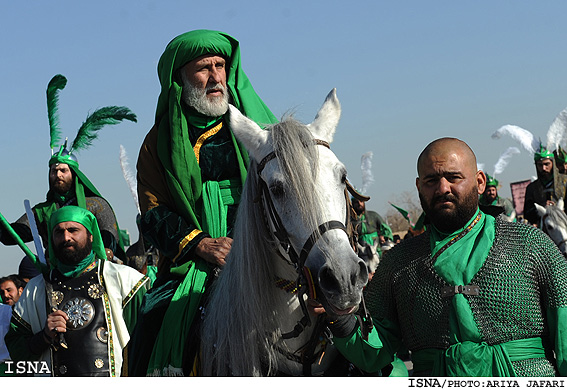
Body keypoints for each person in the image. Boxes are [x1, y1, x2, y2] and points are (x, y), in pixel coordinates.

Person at [327, 137, 567, 376]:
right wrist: (340, 317)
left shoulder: (530, 244)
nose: (442, 188)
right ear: (420, 187)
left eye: (454, 177)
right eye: (431, 181)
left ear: (480, 182)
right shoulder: (398, 263)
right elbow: (373, 352)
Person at [129, 29, 278, 376]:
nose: (215, 77)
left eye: (220, 66)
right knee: (151, 323)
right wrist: (201, 244)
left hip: (264, 248)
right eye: (203, 68)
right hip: (194, 261)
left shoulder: (257, 128)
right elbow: (153, 213)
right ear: (180, 77)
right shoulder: (157, 144)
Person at [0, 74, 136, 264]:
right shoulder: (40, 212)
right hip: (56, 273)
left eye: (63, 170)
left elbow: (108, 236)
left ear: (74, 174)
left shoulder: (96, 205)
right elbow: (12, 236)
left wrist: (102, 252)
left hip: (96, 268)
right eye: (54, 171)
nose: (58, 175)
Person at [4, 206, 150, 376]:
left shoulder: (126, 281)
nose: (66, 237)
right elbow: (15, 351)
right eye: (59, 232)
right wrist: (43, 337)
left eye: (73, 230)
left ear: (90, 235)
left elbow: (148, 342)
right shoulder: (34, 290)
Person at [523, 145, 567, 226]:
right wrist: (542, 206)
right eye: (540, 165)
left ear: (553, 163)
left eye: (547, 164)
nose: (543, 168)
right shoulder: (532, 188)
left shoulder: (565, 181)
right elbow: (527, 214)